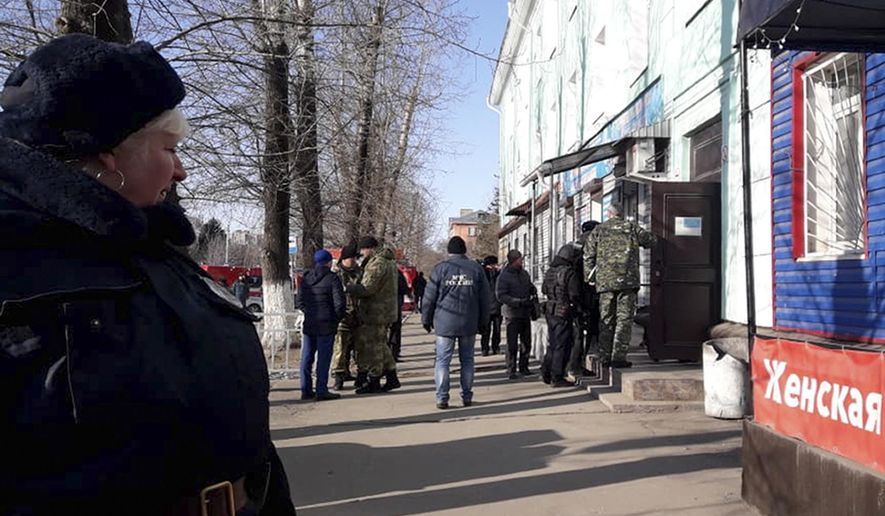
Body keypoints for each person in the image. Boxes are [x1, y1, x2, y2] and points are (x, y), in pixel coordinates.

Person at [0, 35, 295, 515]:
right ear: (109, 152)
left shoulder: (158, 252)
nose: (180, 171)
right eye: (170, 149)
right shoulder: (17, 263)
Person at [584, 203, 657, 368]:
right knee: (624, 319)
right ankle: (618, 357)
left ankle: (604, 357)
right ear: (621, 214)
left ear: (609, 214)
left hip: (605, 284)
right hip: (627, 282)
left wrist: (590, 278)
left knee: (606, 319)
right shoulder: (631, 228)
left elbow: (588, 254)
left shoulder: (599, 230)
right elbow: (651, 241)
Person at [422, 236, 490, 409]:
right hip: (469, 321)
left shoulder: (440, 269)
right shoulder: (476, 269)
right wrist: (484, 321)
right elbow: (485, 298)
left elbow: (429, 297)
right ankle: (467, 396)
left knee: (443, 361)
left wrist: (426, 319)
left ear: (449, 251)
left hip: (445, 323)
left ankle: (442, 397)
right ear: (464, 250)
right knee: (467, 360)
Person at [346, 236, 401, 394]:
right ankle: (392, 377)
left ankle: (374, 380)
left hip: (376, 311)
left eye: (363, 250)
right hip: (385, 310)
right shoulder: (389, 261)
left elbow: (367, 288)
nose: (362, 253)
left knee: (374, 346)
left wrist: (349, 287)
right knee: (382, 344)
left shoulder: (377, 263)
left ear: (370, 248)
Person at [296, 249, 346, 401]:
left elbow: (299, 301)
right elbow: (339, 303)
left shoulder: (306, 278)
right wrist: (335, 319)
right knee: (323, 358)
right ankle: (321, 389)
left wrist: (309, 312)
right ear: (329, 262)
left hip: (310, 322)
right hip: (326, 323)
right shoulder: (333, 278)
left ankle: (305, 389)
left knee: (306, 357)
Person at [541, 244, 584, 387]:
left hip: (550, 309)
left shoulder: (550, 271)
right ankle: (557, 376)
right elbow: (575, 294)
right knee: (561, 344)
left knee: (552, 343)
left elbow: (543, 289)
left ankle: (546, 372)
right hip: (563, 310)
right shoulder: (568, 272)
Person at [496, 249, 538, 380]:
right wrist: (517, 302)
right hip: (512, 314)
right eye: (520, 259)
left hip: (525, 313)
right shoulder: (504, 276)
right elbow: (500, 295)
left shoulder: (524, 274)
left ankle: (524, 367)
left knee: (526, 342)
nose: (522, 261)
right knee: (512, 344)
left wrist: (532, 289)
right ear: (514, 261)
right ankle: (511, 369)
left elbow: (529, 286)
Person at [569, 220, 600, 380]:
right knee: (584, 333)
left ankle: (577, 365)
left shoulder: (573, 247)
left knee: (579, 333)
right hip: (587, 295)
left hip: (576, 296)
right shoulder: (591, 245)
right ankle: (577, 365)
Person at [332, 243, 361, 390]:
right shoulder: (336, 273)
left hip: (357, 315)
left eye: (355, 258)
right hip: (342, 316)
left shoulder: (358, 271)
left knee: (356, 347)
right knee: (340, 348)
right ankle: (338, 376)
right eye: (352, 258)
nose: (354, 261)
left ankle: (353, 372)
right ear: (344, 258)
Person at [479, 255, 502, 356]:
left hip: (489, 306)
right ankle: (492, 347)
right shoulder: (488, 273)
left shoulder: (482, 273)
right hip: (494, 305)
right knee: (493, 329)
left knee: (490, 330)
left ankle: (487, 348)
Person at [387, 268, 409, 361]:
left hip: (382, 306)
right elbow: (404, 288)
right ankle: (394, 353)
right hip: (396, 304)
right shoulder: (396, 272)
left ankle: (386, 354)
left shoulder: (377, 269)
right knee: (395, 330)